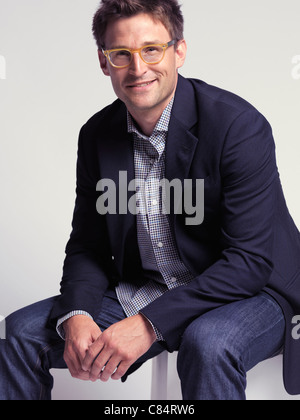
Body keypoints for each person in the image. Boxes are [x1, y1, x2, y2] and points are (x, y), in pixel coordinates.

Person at [1, 0, 300, 401]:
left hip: (253, 289)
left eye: (152, 50)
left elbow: (249, 261)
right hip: (150, 286)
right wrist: (77, 314)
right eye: (121, 54)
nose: (138, 68)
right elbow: (88, 246)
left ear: (179, 51)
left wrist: (148, 324)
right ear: (104, 62)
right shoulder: (97, 135)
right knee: (21, 333)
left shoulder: (237, 127)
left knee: (207, 343)